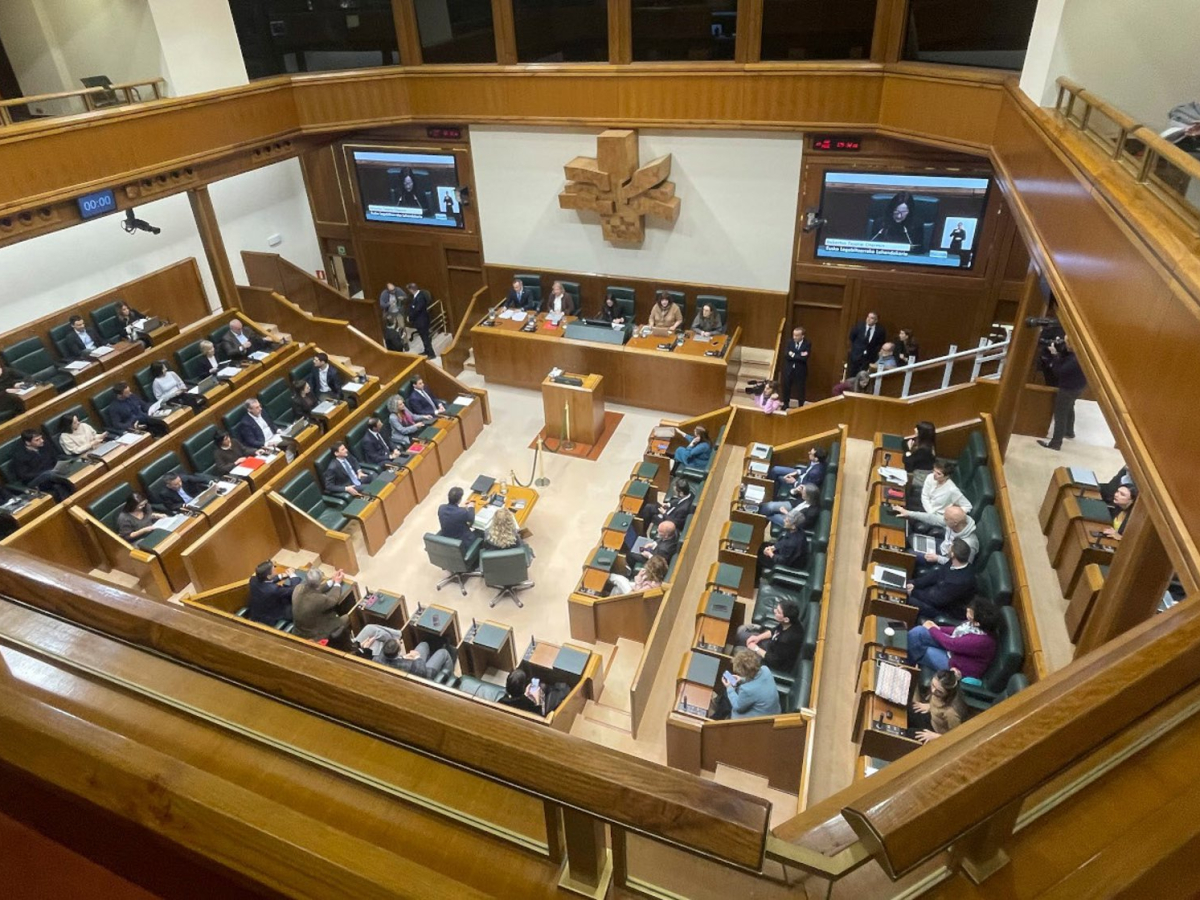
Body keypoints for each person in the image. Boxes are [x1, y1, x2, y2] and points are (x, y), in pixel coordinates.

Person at [906, 598, 999, 680]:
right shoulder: (977, 625)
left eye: (971, 612)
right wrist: (938, 628)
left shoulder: (982, 641)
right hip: (955, 652)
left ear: (977, 623)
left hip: (959, 667)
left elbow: (952, 644)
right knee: (919, 632)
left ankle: (906, 667)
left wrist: (932, 628)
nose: (968, 610)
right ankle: (905, 661)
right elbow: (957, 630)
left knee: (923, 650)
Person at [906, 538, 976, 622]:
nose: (948, 547)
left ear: (953, 554)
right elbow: (937, 574)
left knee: (906, 599)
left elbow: (937, 600)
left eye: (950, 547)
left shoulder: (959, 582)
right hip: (935, 592)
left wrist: (914, 592)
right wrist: (915, 583)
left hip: (944, 610)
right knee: (906, 584)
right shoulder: (954, 562)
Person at [1038, 335, 1087, 451]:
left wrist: (1055, 355)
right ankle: (1069, 431)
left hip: (1068, 388)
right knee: (1069, 407)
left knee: (1060, 415)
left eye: (1066, 343)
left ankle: (1055, 443)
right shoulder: (1081, 355)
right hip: (1078, 387)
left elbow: (1058, 372)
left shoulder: (1074, 360)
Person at [355, 624, 454, 681]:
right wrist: (417, 658)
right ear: (399, 651)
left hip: (406, 669)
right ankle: (448, 678)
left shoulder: (377, 658)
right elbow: (421, 672)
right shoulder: (409, 666)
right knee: (443, 653)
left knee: (424, 645)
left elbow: (396, 662)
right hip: (422, 676)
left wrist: (404, 658)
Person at [894, 503, 978, 566]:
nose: (943, 520)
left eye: (945, 519)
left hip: (943, 559)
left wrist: (938, 559)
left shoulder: (969, 544)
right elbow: (932, 518)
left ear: (955, 523)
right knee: (910, 538)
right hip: (941, 547)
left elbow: (962, 567)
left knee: (908, 553)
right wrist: (908, 513)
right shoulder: (955, 521)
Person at [291, 566, 353, 649]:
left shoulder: (298, 588)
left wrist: (331, 581)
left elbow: (313, 589)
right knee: (347, 617)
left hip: (299, 630)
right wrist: (337, 583)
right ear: (320, 581)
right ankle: (348, 644)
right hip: (314, 635)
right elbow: (333, 600)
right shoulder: (319, 600)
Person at [735, 599, 804, 673]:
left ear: (786, 619)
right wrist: (758, 638)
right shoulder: (789, 623)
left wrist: (756, 648)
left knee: (738, 650)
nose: (774, 611)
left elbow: (773, 660)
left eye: (778, 612)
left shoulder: (786, 640)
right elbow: (774, 631)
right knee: (741, 632)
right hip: (771, 645)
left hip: (769, 662)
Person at [12, 429, 74, 501]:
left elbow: (55, 458)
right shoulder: (20, 456)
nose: (42, 440)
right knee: (49, 474)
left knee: (57, 482)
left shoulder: (45, 446)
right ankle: (72, 487)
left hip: (53, 474)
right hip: (35, 481)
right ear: (28, 443)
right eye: (37, 440)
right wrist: (44, 473)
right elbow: (24, 476)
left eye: (41, 438)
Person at [910, 668, 969, 743]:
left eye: (939, 691)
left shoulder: (951, 713)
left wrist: (935, 736)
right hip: (932, 719)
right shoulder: (938, 693)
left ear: (948, 693)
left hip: (937, 734)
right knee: (908, 709)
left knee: (907, 733)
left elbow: (955, 738)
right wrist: (930, 706)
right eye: (933, 685)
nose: (933, 691)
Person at [723, 650, 781, 720]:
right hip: (774, 712)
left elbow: (738, 707)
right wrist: (742, 679)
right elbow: (757, 681)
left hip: (763, 720)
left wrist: (729, 688)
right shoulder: (765, 669)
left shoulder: (747, 690)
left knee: (729, 699)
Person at [756, 516, 807, 584]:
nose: (784, 520)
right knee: (763, 545)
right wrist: (773, 547)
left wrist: (770, 553)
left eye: (787, 521)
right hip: (786, 554)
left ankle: (755, 583)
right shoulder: (798, 531)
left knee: (758, 559)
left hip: (788, 565)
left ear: (793, 526)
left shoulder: (791, 544)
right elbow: (784, 541)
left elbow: (782, 561)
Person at [247, 561, 298, 626]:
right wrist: (293, 576)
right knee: (297, 607)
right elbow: (293, 589)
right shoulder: (274, 590)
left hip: (257, 611)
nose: (275, 569)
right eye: (274, 569)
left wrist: (281, 576)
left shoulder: (253, 580)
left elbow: (266, 581)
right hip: (270, 617)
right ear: (268, 576)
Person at [847, 311, 886, 377]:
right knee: (852, 375)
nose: (868, 319)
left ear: (876, 321)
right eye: (868, 317)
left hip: (869, 358)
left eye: (872, 318)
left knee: (864, 376)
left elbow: (880, 343)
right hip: (856, 356)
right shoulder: (859, 326)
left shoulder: (880, 330)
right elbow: (852, 337)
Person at [780, 326, 810, 409]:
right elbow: (786, 355)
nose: (794, 337)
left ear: (802, 336)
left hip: (800, 370)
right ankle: (786, 404)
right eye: (794, 335)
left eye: (797, 335)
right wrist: (799, 355)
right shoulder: (789, 342)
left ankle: (800, 406)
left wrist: (792, 354)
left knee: (800, 388)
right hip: (789, 369)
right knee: (786, 387)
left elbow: (804, 358)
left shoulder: (807, 344)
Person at [406, 282, 436, 359]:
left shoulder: (420, 297)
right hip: (420, 320)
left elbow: (417, 309)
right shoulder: (417, 296)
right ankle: (426, 350)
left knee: (425, 338)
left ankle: (431, 354)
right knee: (423, 337)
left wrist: (410, 317)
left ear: (411, 290)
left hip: (422, 321)